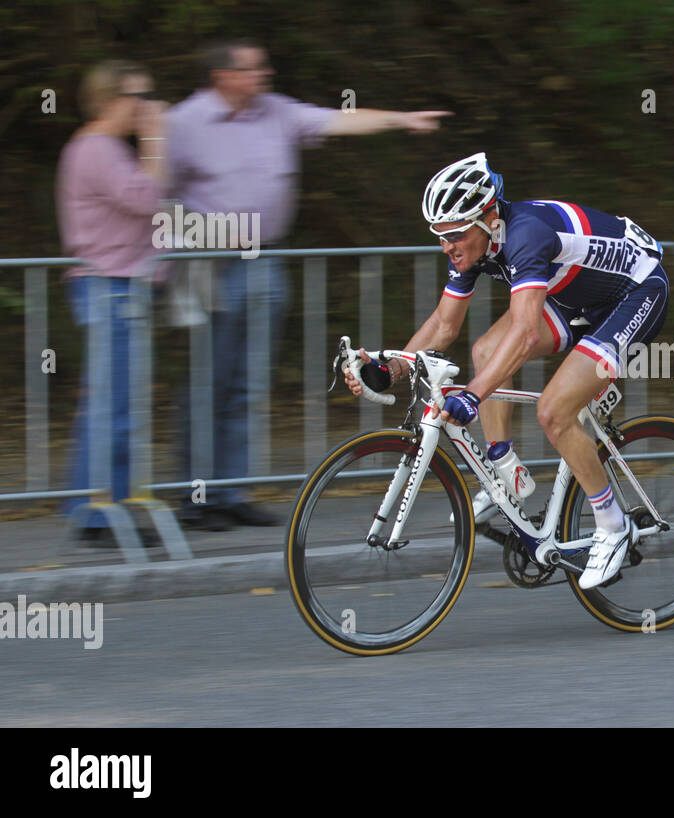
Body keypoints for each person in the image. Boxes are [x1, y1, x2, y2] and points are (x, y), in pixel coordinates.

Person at [345, 153, 669, 589]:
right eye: (439, 236)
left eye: (454, 234)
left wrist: (473, 396)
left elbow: (526, 332)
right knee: (485, 349)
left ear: (488, 216)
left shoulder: (526, 236)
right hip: (577, 296)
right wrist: (394, 367)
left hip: (636, 291)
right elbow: (445, 324)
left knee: (554, 412)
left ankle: (613, 526)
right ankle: (504, 467)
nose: (447, 246)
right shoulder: (473, 244)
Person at [168, 39, 451, 530]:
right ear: (223, 76)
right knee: (207, 381)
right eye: (253, 69)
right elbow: (157, 203)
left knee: (247, 384)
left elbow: (338, 120)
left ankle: (231, 492)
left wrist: (402, 119)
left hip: (266, 262)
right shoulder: (185, 123)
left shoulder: (275, 112)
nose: (264, 74)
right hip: (209, 265)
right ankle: (197, 498)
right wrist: (208, 234)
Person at [56, 60, 169, 542]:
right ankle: (101, 512)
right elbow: (147, 198)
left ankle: (93, 507)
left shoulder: (97, 148)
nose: (144, 106)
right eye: (135, 96)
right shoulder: (98, 149)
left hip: (115, 288)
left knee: (109, 403)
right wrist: (155, 139)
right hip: (111, 289)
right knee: (115, 406)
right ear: (110, 100)